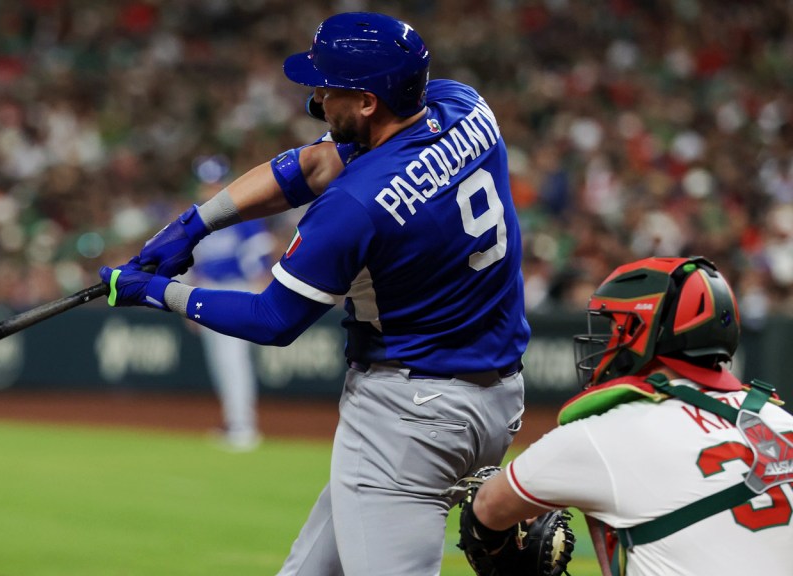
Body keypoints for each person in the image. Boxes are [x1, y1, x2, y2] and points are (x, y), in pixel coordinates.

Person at [100, 12, 530, 575]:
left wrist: (160, 292)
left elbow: (272, 319)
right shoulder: (465, 107)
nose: (318, 97)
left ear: (371, 102)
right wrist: (192, 225)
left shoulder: (355, 204)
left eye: (329, 87)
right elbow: (311, 163)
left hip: (409, 416)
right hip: (497, 400)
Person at [464, 256, 793, 576]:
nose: (609, 341)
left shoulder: (607, 432)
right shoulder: (781, 420)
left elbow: (487, 508)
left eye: (615, 325)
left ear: (643, 331)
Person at [187, 191, 276, 450]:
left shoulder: (240, 212)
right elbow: (197, 264)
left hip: (238, 289)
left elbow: (259, 251)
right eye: (206, 181)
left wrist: (261, 288)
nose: (209, 187)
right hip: (209, 291)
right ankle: (234, 421)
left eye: (214, 181)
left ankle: (244, 426)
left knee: (233, 360)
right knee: (221, 363)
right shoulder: (200, 218)